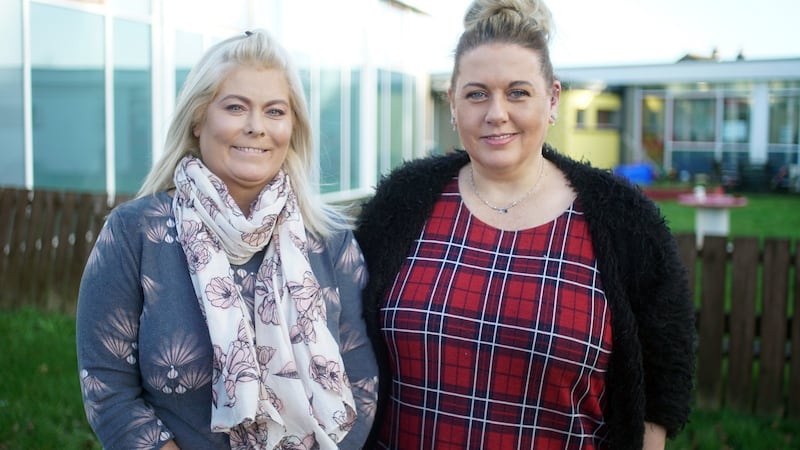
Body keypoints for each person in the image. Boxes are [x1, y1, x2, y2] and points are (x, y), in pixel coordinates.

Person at [355, 1, 696, 449]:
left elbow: (662, 383)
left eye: (518, 92)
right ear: (452, 103)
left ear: (552, 99)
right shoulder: (400, 204)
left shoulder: (623, 222)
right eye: (477, 94)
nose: (496, 113)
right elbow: (347, 343)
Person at [76, 29, 378, 450]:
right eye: (236, 107)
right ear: (198, 119)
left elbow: (361, 381)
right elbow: (107, 386)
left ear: (293, 126)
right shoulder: (134, 233)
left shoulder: (331, 242)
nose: (256, 127)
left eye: (275, 111)